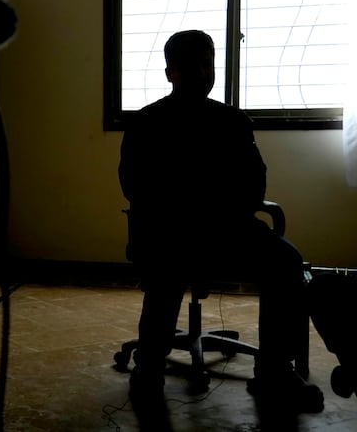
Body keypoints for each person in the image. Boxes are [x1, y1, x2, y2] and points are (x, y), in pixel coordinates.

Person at [118, 29, 324, 413]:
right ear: (169, 72)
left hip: (227, 231)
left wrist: (219, 211)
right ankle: (148, 369)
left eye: (206, 62)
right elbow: (135, 186)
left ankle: (274, 371)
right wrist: (196, 207)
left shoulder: (233, 121)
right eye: (188, 64)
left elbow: (254, 184)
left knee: (286, 261)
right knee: (167, 259)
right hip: (170, 233)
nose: (200, 71)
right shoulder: (147, 123)